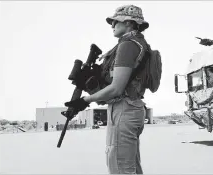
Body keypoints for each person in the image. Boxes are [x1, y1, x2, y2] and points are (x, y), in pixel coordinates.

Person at [64, 4, 150, 174]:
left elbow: (116, 88)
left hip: (124, 109)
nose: (112, 25)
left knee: (120, 168)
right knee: (130, 167)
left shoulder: (128, 45)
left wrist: (85, 100)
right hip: (130, 107)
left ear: (129, 23)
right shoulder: (136, 43)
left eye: (116, 21)